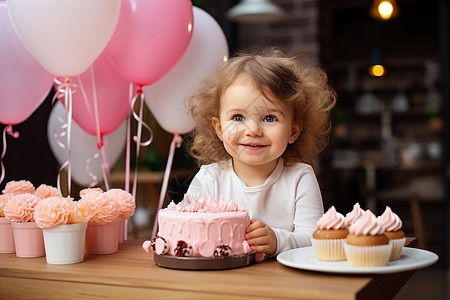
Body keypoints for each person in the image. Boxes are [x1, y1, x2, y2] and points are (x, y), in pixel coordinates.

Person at [185, 48, 336, 256]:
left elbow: (314, 239)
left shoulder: (300, 178)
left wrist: (277, 240)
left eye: (269, 118)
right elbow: (184, 226)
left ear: (293, 131)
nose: (253, 130)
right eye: (238, 117)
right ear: (219, 128)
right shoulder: (210, 178)